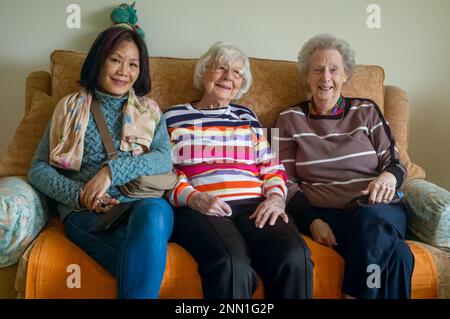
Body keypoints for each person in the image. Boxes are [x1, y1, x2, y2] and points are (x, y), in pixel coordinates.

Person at [28, 27, 174, 299]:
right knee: (141, 263)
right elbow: (38, 169)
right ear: (99, 60)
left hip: (141, 203)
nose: (123, 72)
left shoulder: (151, 112)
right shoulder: (69, 108)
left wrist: (111, 171)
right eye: (115, 60)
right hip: (87, 213)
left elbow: (163, 157)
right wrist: (80, 196)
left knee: (154, 213)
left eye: (133, 64)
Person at [164, 42, 313, 299]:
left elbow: (271, 165)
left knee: (294, 256)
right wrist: (193, 196)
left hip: (254, 204)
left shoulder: (246, 116)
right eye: (221, 68)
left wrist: (276, 198)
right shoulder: (173, 116)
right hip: (202, 206)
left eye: (236, 73)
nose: (228, 77)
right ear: (203, 72)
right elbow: (163, 171)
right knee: (232, 265)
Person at [275, 34, 414, 299]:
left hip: (379, 210)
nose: (325, 77)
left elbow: (394, 162)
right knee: (400, 255)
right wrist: (312, 220)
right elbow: (284, 181)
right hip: (329, 216)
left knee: (370, 220)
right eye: (317, 69)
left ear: (345, 75)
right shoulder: (289, 118)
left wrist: (388, 177)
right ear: (306, 76)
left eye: (334, 69)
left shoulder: (367, 110)